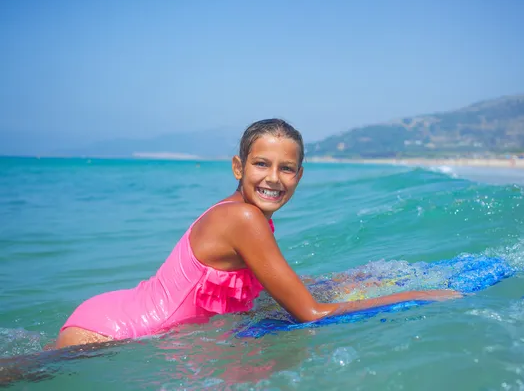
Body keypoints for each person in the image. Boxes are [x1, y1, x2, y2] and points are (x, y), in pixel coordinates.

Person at [55, 118, 461, 349]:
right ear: (238, 167)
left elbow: (265, 292)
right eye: (261, 164)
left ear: (299, 176)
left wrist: (347, 284)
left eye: (286, 168)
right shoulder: (245, 220)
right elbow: (309, 314)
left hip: (110, 316)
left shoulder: (246, 215)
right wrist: (419, 296)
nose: (273, 178)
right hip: (109, 333)